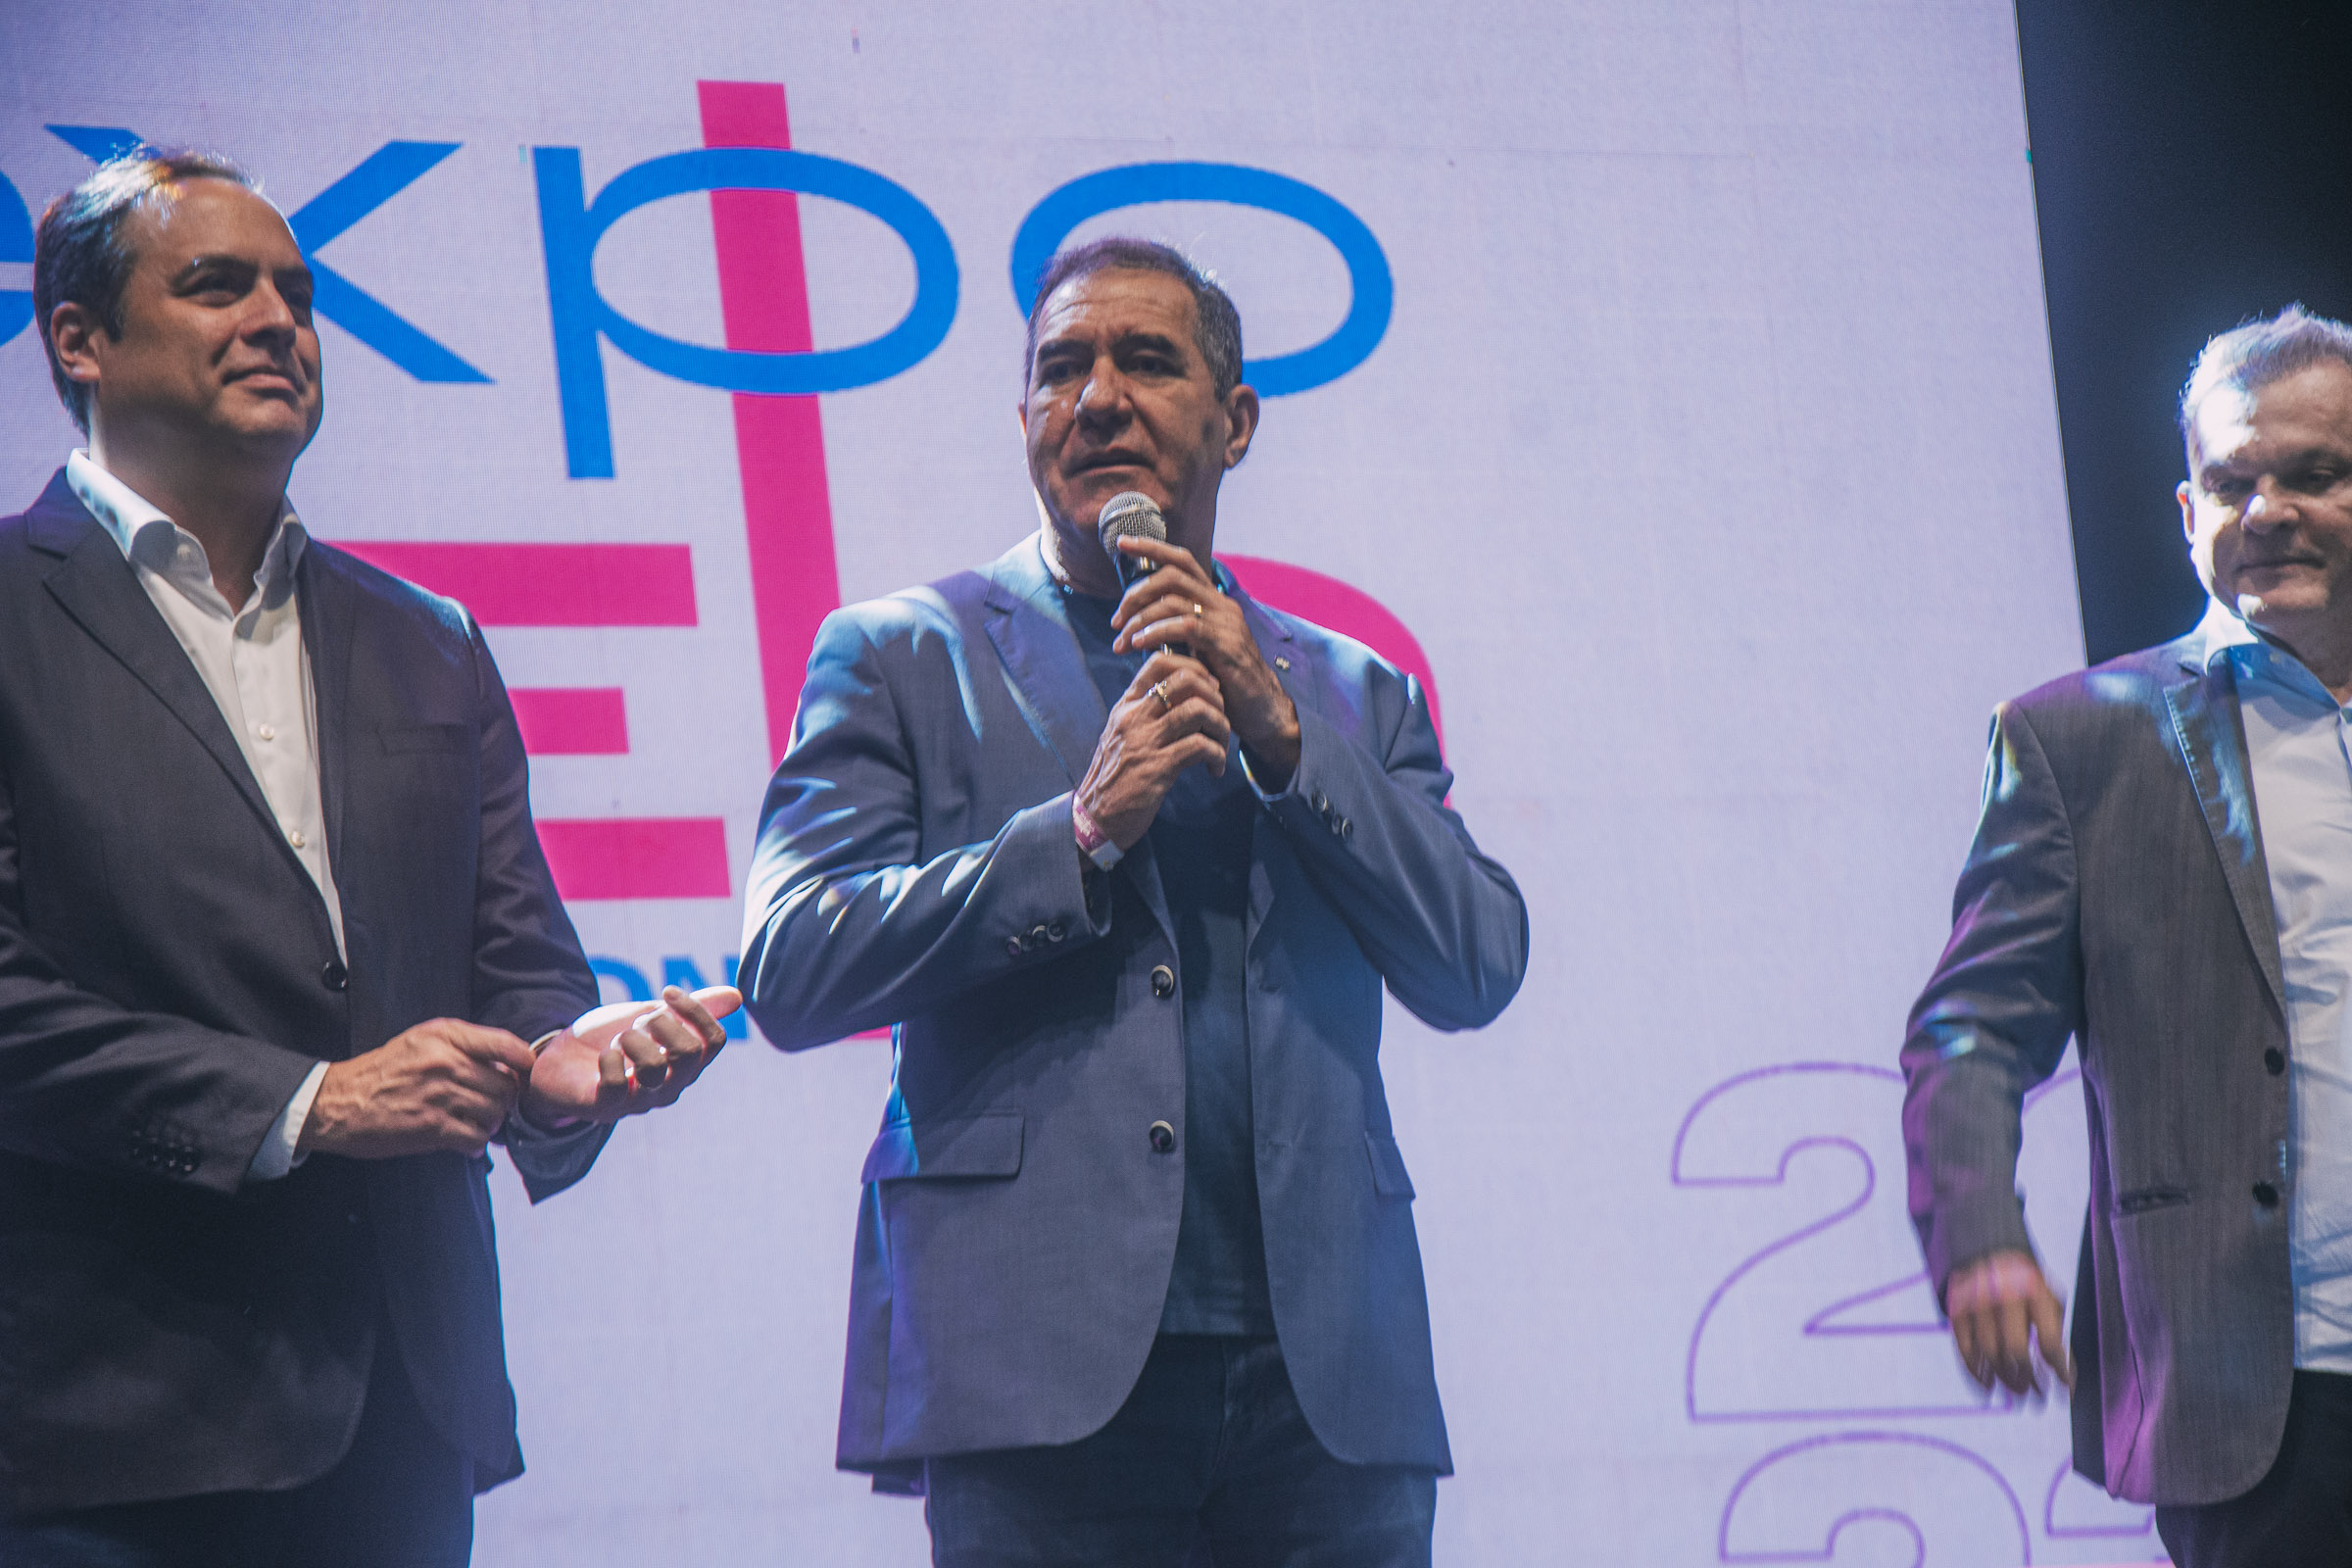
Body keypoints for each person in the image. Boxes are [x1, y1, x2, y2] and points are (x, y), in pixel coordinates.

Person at [739, 237, 1528, 1565]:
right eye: (1062, 369)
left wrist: (1285, 735)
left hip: (1328, 1389)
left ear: (1236, 421)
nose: (1097, 398)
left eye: (1147, 362)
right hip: (1039, 1376)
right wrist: (1078, 835)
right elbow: (792, 960)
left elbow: (1479, 958)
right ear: (1025, 419)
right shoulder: (900, 654)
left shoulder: (1349, 691)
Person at [0, 149, 734, 1566]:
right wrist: (310, 1102)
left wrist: (563, 1070)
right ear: (79, 340)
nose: (278, 320)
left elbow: (523, 973)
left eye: (297, 291)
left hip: (403, 1419)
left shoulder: (428, 639)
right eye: (217, 285)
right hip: (107, 1429)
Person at [1902, 305, 2352, 1566]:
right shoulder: (2083, 739)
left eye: (2313, 473)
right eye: (2233, 482)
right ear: (2188, 511)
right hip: (2268, 1394)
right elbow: (1968, 1033)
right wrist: (1978, 1233)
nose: (2267, 511)